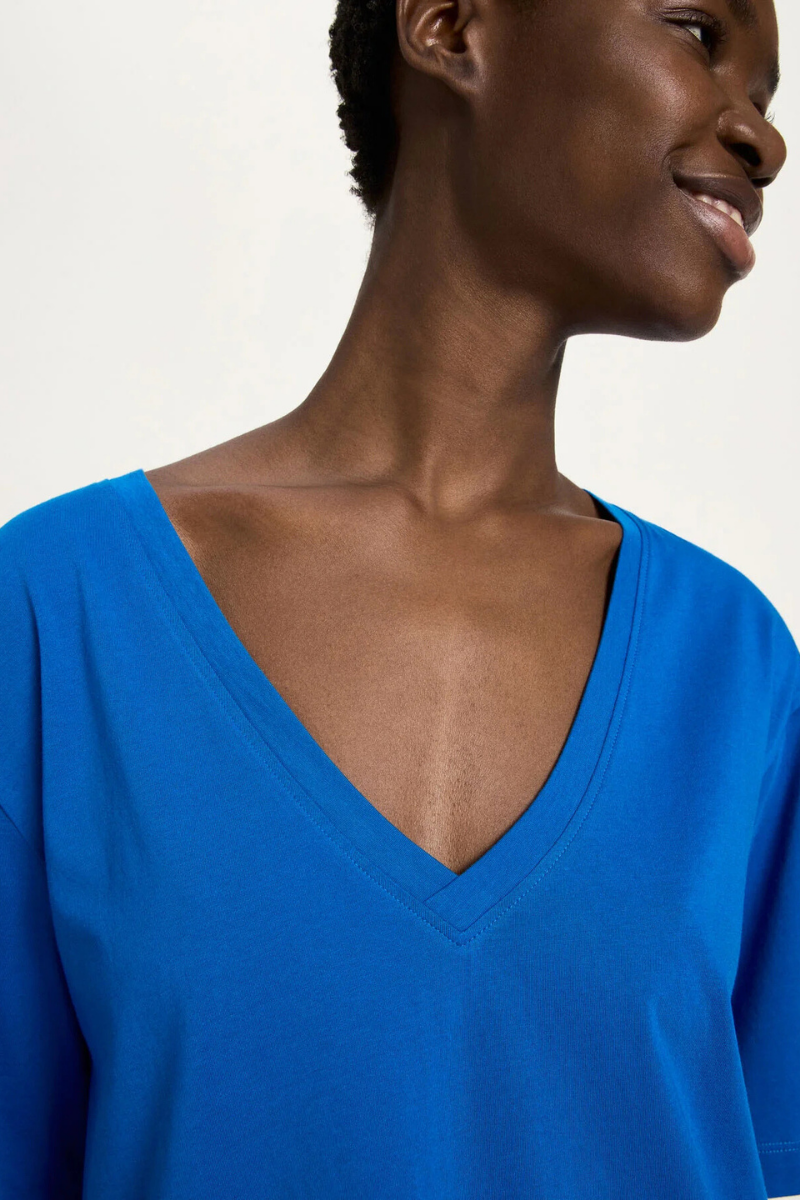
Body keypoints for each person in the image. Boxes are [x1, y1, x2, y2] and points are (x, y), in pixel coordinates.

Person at [0, 0, 796, 1196]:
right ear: (449, 26)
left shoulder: (733, 668)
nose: (762, 141)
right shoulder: (55, 617)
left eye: (769, 98)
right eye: (695, 32)